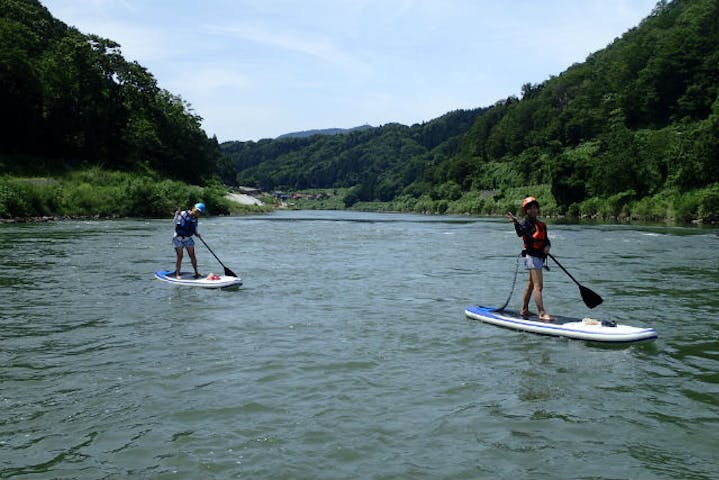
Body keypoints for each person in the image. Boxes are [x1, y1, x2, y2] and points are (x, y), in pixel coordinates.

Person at [506, 196, 553, 321]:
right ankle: (542, 313)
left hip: (540, 257)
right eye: (530, 209)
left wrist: (547, 246)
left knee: (531, 285)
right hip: (532, 257)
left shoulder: (541, 225)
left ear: (538, 209)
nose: (533, 211)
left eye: (535, 208)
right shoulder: (524, 223)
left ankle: (524, 309)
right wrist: (516, 223)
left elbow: (546, 240)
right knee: (539, 286)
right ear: (526, 211)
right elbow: (520, 233)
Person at [173, 202, 205, 279]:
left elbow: (195, 229)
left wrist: (197, 234)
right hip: (178, 238)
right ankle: (177, 274)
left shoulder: (195, 219)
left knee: (193, 256)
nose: (197, 213)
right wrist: (177, 214)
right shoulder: (183, 213)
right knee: (180, 256)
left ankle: (196, 273)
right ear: (193, 208)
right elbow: (175, 222)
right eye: (197, 211)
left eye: (199, 212)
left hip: (188, 238)